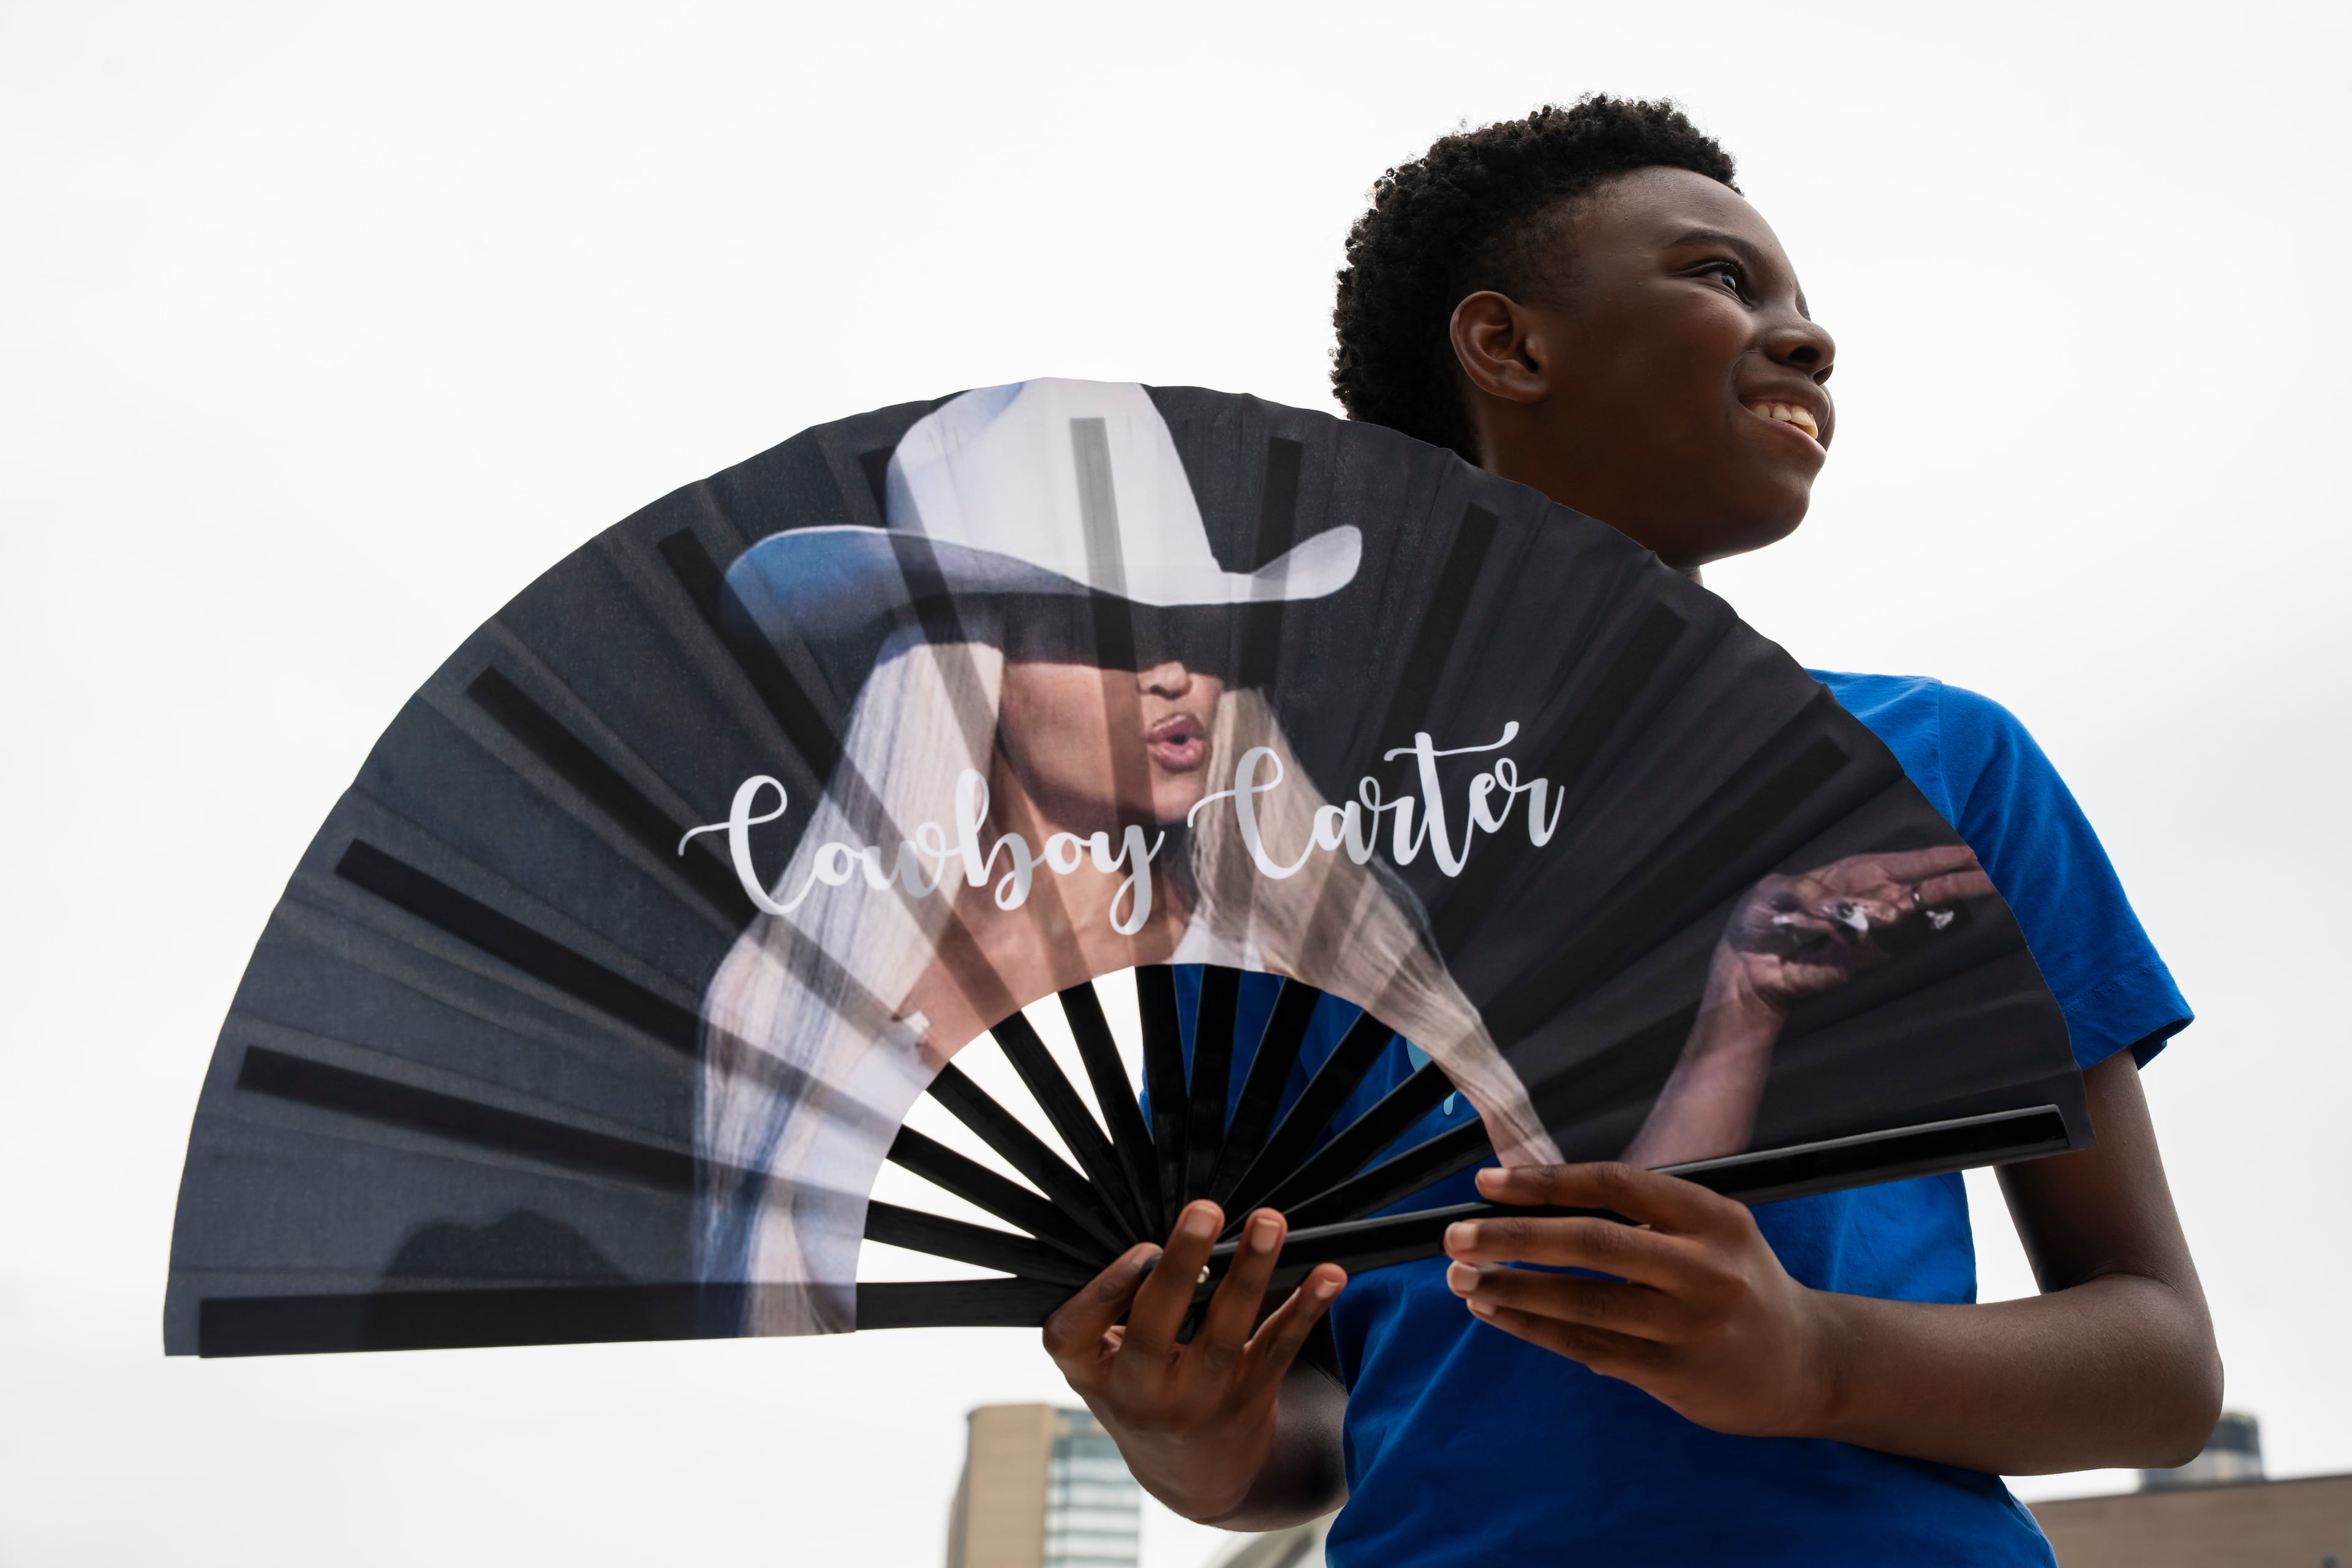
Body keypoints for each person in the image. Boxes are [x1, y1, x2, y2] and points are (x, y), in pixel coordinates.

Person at [1042, 99, 2218, 1565]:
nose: (1808, 338)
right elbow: (1311, 1422)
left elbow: (2161, 1362)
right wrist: (1186, 1431)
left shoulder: (1939, 764)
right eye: (1725, 280)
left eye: (1799, 302)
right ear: (1508, 346)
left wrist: (1815, 1356)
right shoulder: (1246, 840)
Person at [693, 377, 1551, 1337]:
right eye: (1101, 625)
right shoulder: (783, 1000)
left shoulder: (1310, 980)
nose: (1174, 671)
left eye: (1196, 623)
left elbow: (1483, 1313)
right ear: (974, 663)